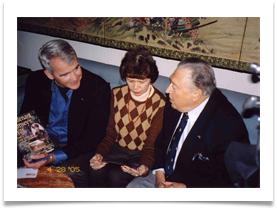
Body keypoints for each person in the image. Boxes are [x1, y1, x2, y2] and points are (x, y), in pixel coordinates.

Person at [127, 57, 250, 188]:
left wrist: (186, 188)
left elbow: (232, 181)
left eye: (174, 86)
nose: (167, 90)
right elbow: (161, 141)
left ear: (196, 94)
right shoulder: (173, 103)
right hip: (160, 176)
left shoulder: (229, 126)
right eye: (170, 83)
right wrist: (159, 174)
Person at [19, 39, 111, 187]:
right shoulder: (35, 80)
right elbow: (27, 119)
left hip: (77, 147)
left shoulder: (98, 88)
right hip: (42, 141)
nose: (74, 78)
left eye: (76, 68)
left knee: (67, 173)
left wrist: (52, 157)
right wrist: (36, 153)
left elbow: (94, 137)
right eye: (65, 74)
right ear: (49, 74)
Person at [89, 48, 166, 188]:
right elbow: (111, 132)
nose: (136, 87)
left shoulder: (160, 103)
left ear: (151, 79)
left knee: (116, 177)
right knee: (95, 172)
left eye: (142, 82)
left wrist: (144, 166)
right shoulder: (116, 94)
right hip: (116, 150)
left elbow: (151, 144)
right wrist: (99, 154)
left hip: (140, 155)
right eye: (131, 80)